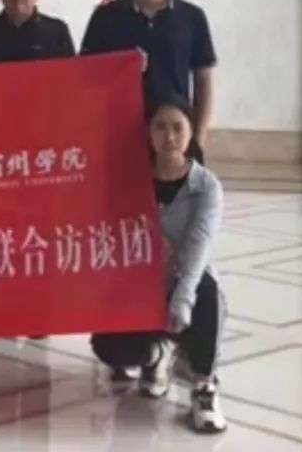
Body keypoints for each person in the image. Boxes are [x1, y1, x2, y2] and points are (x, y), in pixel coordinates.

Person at [90, 98, 227, 435]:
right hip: (141, 285)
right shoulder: (131, 179)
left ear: (191, 132)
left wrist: (182, 298)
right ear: (148, 133)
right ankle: (156, 356)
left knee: (206, 289)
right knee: (107, 346)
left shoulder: (206, 187)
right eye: (160, 127)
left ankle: (204, 388)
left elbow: (198, 246)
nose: (170, 137)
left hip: (184, 284)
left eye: (178, 127)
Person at [80, 0, 216, 152]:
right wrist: (118, 66)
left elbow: (204, 79)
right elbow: (86, 77)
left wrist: (198, 140)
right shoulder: (105, 17)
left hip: (173, 138)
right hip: (118, 136)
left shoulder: (191, 17)